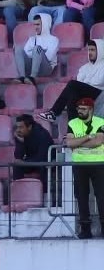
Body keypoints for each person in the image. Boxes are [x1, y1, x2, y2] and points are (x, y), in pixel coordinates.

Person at [40, 39, 104, 123]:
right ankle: (73, 131)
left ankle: (54, 112)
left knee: (72, 85)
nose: (90, 52)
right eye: (89, 50)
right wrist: (86, 83)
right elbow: (80, 81)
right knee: (72, 97)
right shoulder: (85, 67)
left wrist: (86, 82)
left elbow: (99, 82)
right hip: (85, 93)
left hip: (99, 94)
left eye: (93, 50)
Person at [67, 98, 104, 239]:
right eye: (78, 108)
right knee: (81, 197)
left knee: (102, 197)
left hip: (99, 164)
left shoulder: (101, 122)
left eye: (83, 108)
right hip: (80, 164)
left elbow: (98, 141)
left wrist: (79, 143)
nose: (79, 111)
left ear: (91, 109)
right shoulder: (72, 123)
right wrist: (88, 137)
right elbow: (69, 143)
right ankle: (85, 229)